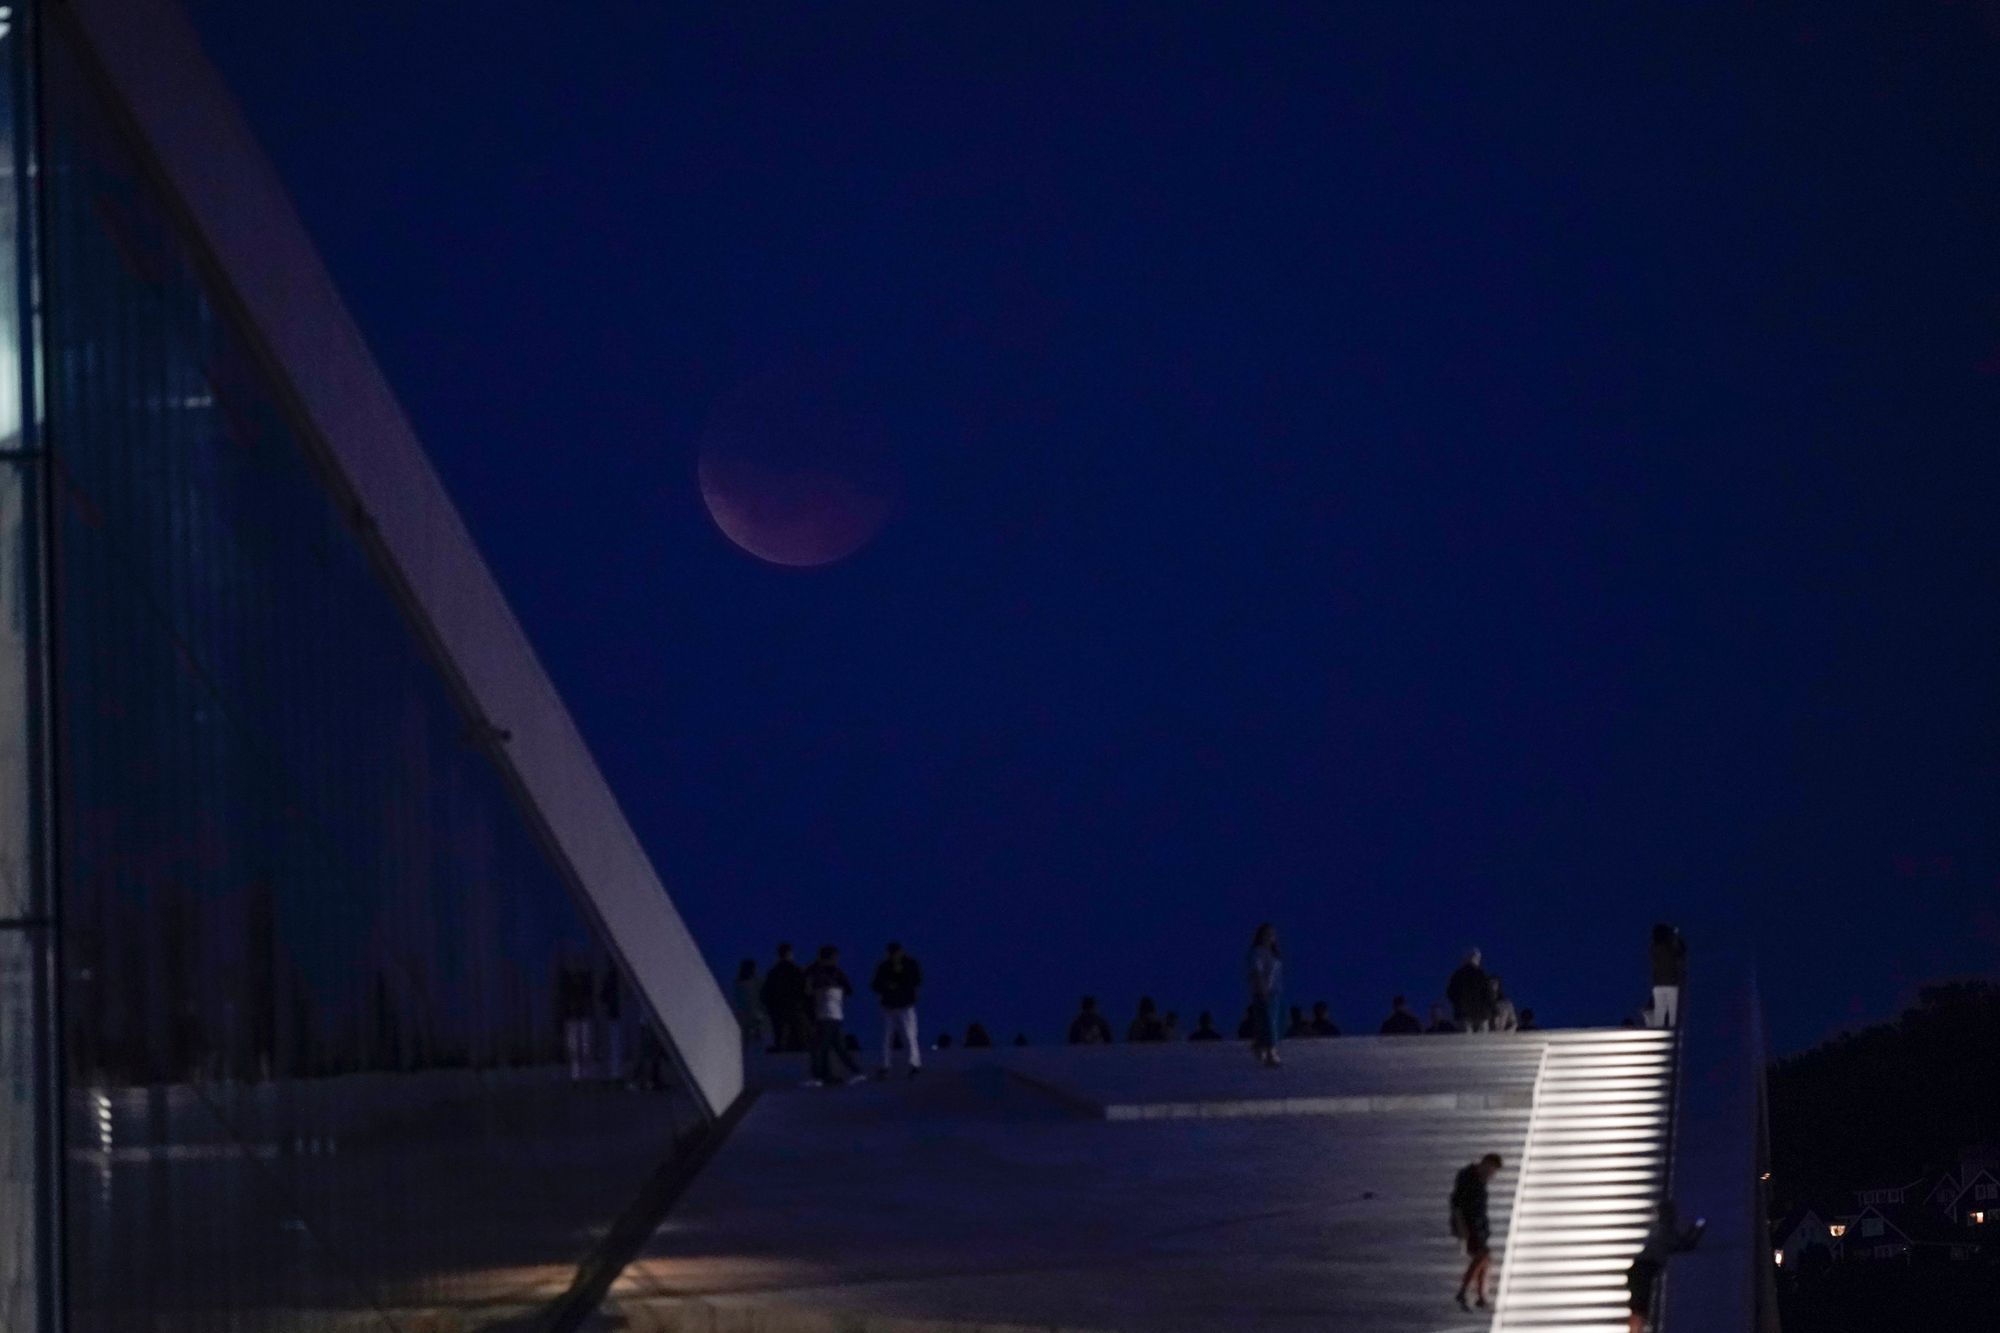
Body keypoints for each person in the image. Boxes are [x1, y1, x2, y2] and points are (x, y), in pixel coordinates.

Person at [1625, 1197, 1704, 1332]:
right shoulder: (1665, 1232)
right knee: (1640, 1309)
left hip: (1638, 1269)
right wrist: (1698, 1229)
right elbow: (1684, 1244)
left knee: (1638, 1308)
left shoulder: (1658, 1230)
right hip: (1644, 1271)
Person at [803, 945, 864, 1087]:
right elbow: (848, 990)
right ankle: (855, 1072)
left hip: (824, 1013)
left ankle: (819, 1077)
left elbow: (807, 990)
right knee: (838, 1046)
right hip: (834, 1013)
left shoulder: (814, 971)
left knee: (819, 1047)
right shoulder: (837, 972)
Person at [1450, 1153, 1504, 1312]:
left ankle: (1480, 1297)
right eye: (1491, 1170)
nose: (1492, 1174)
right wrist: (1461, 1227)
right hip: (1469, 1226)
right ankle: (1464, 1292)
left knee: (1485, 1259)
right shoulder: (1468, 1177)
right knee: (1481, 1257)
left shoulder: (1480, 1180)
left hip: (1478, 1227)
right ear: (1486, 1163)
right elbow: (1457, 1204)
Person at [870, 940, 924, 1080]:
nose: (895, 955)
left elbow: (917, 980)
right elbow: (875, 985)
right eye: (892, 953)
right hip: (889, 1005)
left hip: (905, 1005)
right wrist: (887, 986)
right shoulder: (884, 966)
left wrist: (899, 982)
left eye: (896, 952)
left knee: (909, 1035)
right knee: (886, 1037)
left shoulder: (909, 964)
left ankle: (914, 1064)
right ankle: (885, 1065)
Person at [1247, 922, 1284, 1067]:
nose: (1270, 937)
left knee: (1273, 1021)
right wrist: (1262, 989)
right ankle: (1271, 1052)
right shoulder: (1257, 952)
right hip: (1264, 991)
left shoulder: (1273, 954)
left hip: (1275, 991)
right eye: (1267, 934)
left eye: (1272, 934)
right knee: (1269, 1023)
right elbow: (1257, 972)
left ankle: (1261, 1046)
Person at [760, 943, 809, 1052]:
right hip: (794, 1005)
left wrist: (769, 1004)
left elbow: (767, 990)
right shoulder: (796, 970)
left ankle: (781, 1046)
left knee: (779, 1029)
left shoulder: (773, 971)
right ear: (790, 954)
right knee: (798, 1028)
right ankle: (798, 1045)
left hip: (777, 1006)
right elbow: (803, 988)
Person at [558, 960, 593, 1081]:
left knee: (582, 1046)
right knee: (576, 1047)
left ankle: (580, 1074)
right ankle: (577, 1074)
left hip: (579, 1017)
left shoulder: (581, 987)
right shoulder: (569, 987)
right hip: (574, 1017)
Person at [1446, 948, 1495, 1033]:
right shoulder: (1482, 974)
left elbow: (1450, 994)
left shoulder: (1458, 975)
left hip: (1464, 1015)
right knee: (1482, 1043)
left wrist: (1459, 1005)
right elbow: (1490, 995)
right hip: (1481, 1015)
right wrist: (1491, 1010)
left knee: (1466, 1043)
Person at [1648, 923, 1687, 1029]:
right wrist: (1675, 936)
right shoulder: (1669, 947)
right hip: (1671, 983)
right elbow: (1680, 950)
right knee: (1672, 1011)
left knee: (1660, 1011)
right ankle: (1672, 1032)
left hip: (1658, 983)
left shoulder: (1653, 948)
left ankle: (1658, 1032)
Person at [732, 958, 767, 1052]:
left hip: (748, 1016)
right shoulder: (755, 982)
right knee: (753, 1042)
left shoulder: (739, 984)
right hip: (753, 1016)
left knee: (748, 1042)